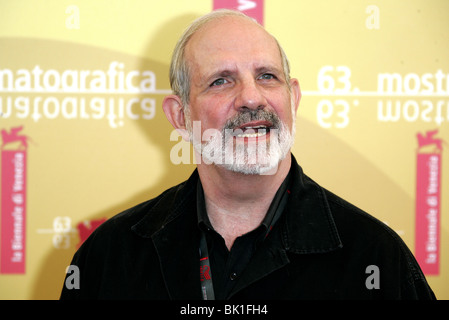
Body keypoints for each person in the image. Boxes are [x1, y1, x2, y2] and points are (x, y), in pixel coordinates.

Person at [60, 9, 435, 300]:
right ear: (180, 115)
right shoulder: (110, 256)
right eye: (221, 80)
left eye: (268, 76)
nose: (252, 97)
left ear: (294, 98)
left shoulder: (375, 257)